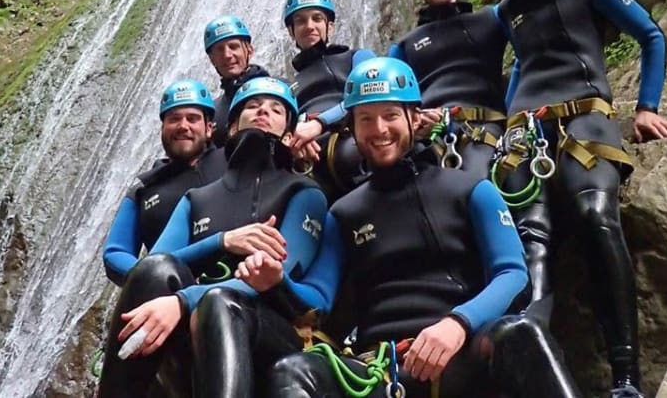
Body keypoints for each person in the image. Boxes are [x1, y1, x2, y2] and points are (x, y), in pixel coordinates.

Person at [239, 57, 584, 398]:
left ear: (414, 118)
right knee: (293, 371)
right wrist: (277, 281)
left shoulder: (470, 191)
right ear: (352, 130)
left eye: (390, 115)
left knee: (521, 333)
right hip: (381, 366)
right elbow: (319, 297)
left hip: (458, 351)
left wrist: (458, 324)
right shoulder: (343, 213)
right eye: (366, 119)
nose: (379, 130)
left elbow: (512, 273)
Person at [483, 0, 667, 398]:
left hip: (585, 119)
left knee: (595, 215)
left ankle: (626, 379)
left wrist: (645, 107)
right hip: (525, 131)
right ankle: (537, 371)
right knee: (530, 241)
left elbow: (651, 36)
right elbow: (523, 68)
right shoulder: (508, 8)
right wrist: (506, 126)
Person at [96, 77, 328, 398]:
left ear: (289, 134)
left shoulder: (303, 192)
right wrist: (222, 241)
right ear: (230, 127)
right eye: (252, 106)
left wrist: (183, 300)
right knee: (156, 270)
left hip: (269, 329)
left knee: (218, 302)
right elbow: (150, 268)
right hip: (194, 326)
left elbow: (282, 275)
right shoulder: (196, 199)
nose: (263, 112)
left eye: (276, 110)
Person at [292, 0, 508, 179]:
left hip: (481, 125)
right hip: (427, 130)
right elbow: (389, 98)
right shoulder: (405, 46)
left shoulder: (491, 19)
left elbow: (533, 43)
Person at [103, 79, 222, 287]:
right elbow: (115, 252)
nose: (183, 126)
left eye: (192, 118)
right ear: (163, 128)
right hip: (169, 298)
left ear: (209, 128)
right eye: (174, 119)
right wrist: (155, 276)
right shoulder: (144, 190)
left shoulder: (236, 162)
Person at [282, 0, 375, 201]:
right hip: (310, 158)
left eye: (317, 18)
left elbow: (370, 96)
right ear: (291, 31)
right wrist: (295, 140)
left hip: (353, 138)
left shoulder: (356, 57)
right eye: (301, 21)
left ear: (329, 26)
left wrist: (319, 124)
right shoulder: (288, 87)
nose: (309, 26)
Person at [203, 14, 269, 145]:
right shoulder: (211, 114)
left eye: (233, 46)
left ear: (249, 50)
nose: (227, 55)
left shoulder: (282, 89)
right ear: (212, 59)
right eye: (219, 50)